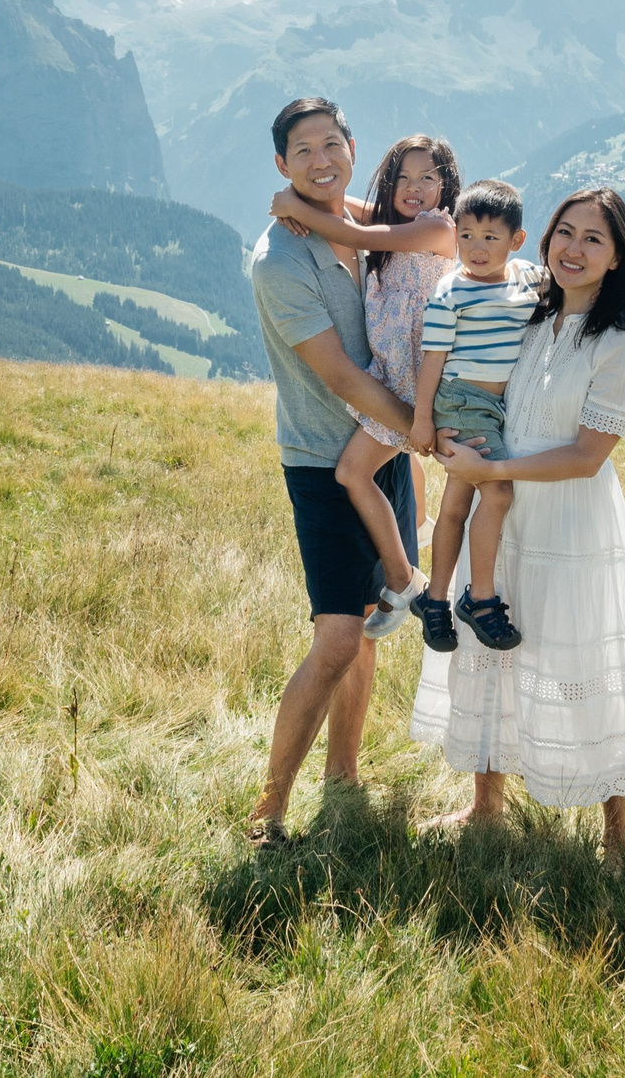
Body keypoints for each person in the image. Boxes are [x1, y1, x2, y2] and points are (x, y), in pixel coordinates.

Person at [410, 186, 625, 870]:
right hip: (500, 506)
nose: (574, 248)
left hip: (568, 515)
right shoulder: (531, 308)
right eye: (565, 231)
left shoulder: (624, 343)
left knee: (582, 659)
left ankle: (618, 833)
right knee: (490, 647)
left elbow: (589, 455)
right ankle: (485, 802)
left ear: (619, 256)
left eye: (593, 238)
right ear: (544, 238)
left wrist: (492, 463)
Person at [244, 97, 422, 847]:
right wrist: (427, 429)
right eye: (303, 152)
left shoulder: (350, 220)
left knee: (374, 620)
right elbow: (343, 377)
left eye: (332, 144)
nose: (321, 160)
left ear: (353, 146)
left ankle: (342, 779)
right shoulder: (280, 259)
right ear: (282, 165)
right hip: (325, 461)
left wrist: (407, 437)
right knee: (339, 636)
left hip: (384, 451)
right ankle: (269, 809)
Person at [268, 135, 461, 641]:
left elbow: (355, 235)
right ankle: (408, 558)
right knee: (362, 471)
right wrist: (300, 201)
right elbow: (353, 209)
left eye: (428, 178)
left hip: (413, 386)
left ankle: (403, 582)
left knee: (353, 472)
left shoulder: (438, 228)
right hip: (391, 377)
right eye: (403, 178)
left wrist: (298, 208)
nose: (414, 189)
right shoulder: (395, 220)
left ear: (446, 185)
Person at [406, 180, 540, 653]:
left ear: (515, 240)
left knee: (458, 503)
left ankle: (435, 599)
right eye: (466, 236)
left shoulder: (526, 277)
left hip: (494, 407)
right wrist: (422, 420)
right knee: (498, 492)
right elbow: (433, 360)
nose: (476, 249)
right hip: (462, 401)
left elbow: (562, 285)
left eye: (490, 237)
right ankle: (479, 598)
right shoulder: (450, 293)